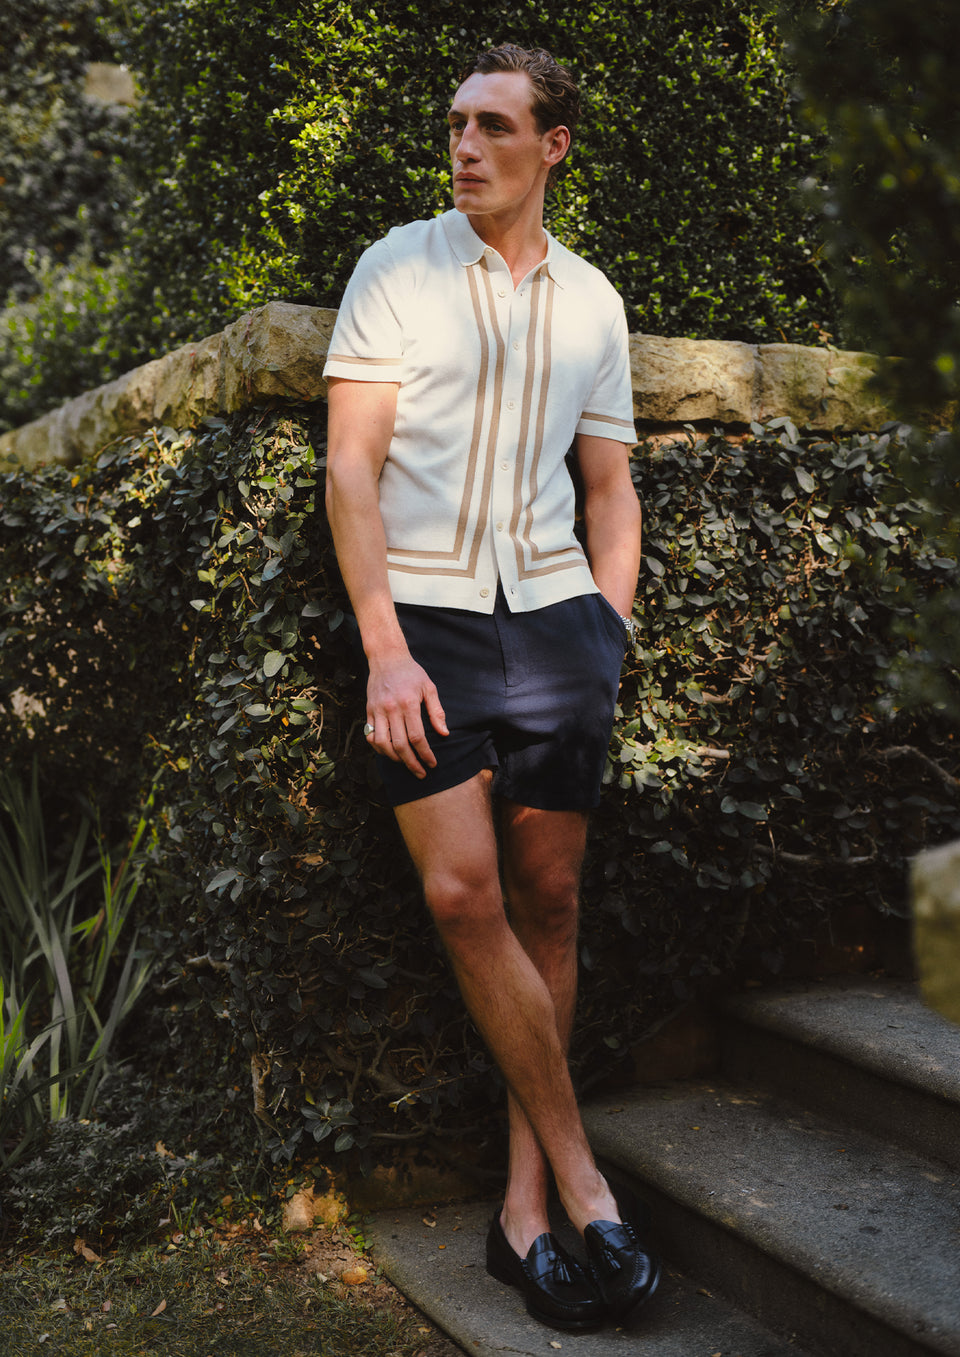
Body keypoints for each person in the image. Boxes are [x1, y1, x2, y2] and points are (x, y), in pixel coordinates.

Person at [323, 42, 659, 1333]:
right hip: (427, 624)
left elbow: (609, 488)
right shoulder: (396, 269)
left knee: (551, 901)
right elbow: (350, 469)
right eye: (457, 124)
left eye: (494, 126)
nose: (465, 146)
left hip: (557, 627)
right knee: (465, 896)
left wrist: (605, 632)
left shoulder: (594, 303)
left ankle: (523, 1213)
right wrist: (384, 646)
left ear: (552, 145)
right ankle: (587, 1183)